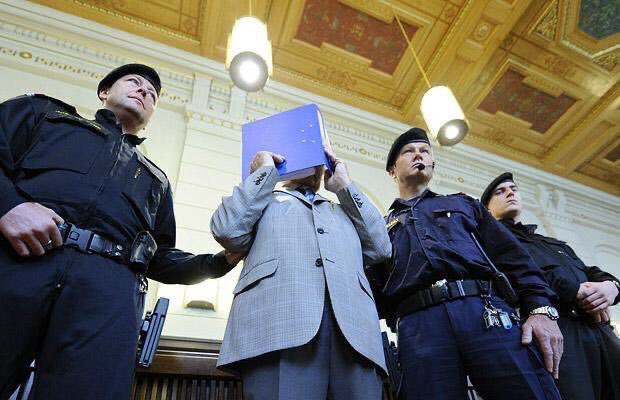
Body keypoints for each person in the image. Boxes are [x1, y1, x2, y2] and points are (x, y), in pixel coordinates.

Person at [0, 64, 241, 400]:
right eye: (134, 82)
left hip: (108, 291)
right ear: (104, 91)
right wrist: (8, 205)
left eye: (152, 94)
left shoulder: (156, 180)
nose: (144, 91)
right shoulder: (43, 115)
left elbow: (158, 257)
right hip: (19, 260)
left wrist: (219, 262)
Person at [373, 127, 563, 400]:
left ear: (432, 164)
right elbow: (373, 289)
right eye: (408, 151)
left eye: (425, 151)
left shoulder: (464, 205)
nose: (419, 155)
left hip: (483, 310)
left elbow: (514, 258)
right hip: (418, 325)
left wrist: (540, 309)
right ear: (392, 170)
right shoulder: (380, 227)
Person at [210, 148, 391, 400]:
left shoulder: (345, 211)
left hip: (356, 337)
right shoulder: (261, 201)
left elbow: (381, 248)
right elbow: (227, 230)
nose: (312, 164)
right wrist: (264, 172)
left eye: (317, 160)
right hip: (277, 331)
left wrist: (345, 187)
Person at [483, 172, 620, 400]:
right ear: (487, 210)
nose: (510, 193)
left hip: (598, 328)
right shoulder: (489, 239)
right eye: (500, 191)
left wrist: (611, 287)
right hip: (556, 328)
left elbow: (591, 271)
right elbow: (516, 275)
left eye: (513, 189)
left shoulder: (553, 243)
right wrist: (574, 290)